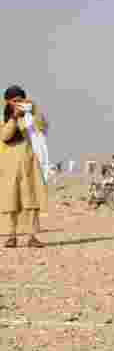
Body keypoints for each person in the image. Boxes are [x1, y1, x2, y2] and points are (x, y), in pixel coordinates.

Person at [1, 86, 48, 248]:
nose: (17, 104)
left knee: (31, 201)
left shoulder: (29, 117)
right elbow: (5, 136)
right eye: (14, 101)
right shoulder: (4, 118)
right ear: (7, 102)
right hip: (8, 166)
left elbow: (43, 126)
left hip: (29, 163)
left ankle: (32, 236)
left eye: (20, 100)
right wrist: (14, 118)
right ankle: (11, 236)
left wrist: (33, 109)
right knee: (11, 202)